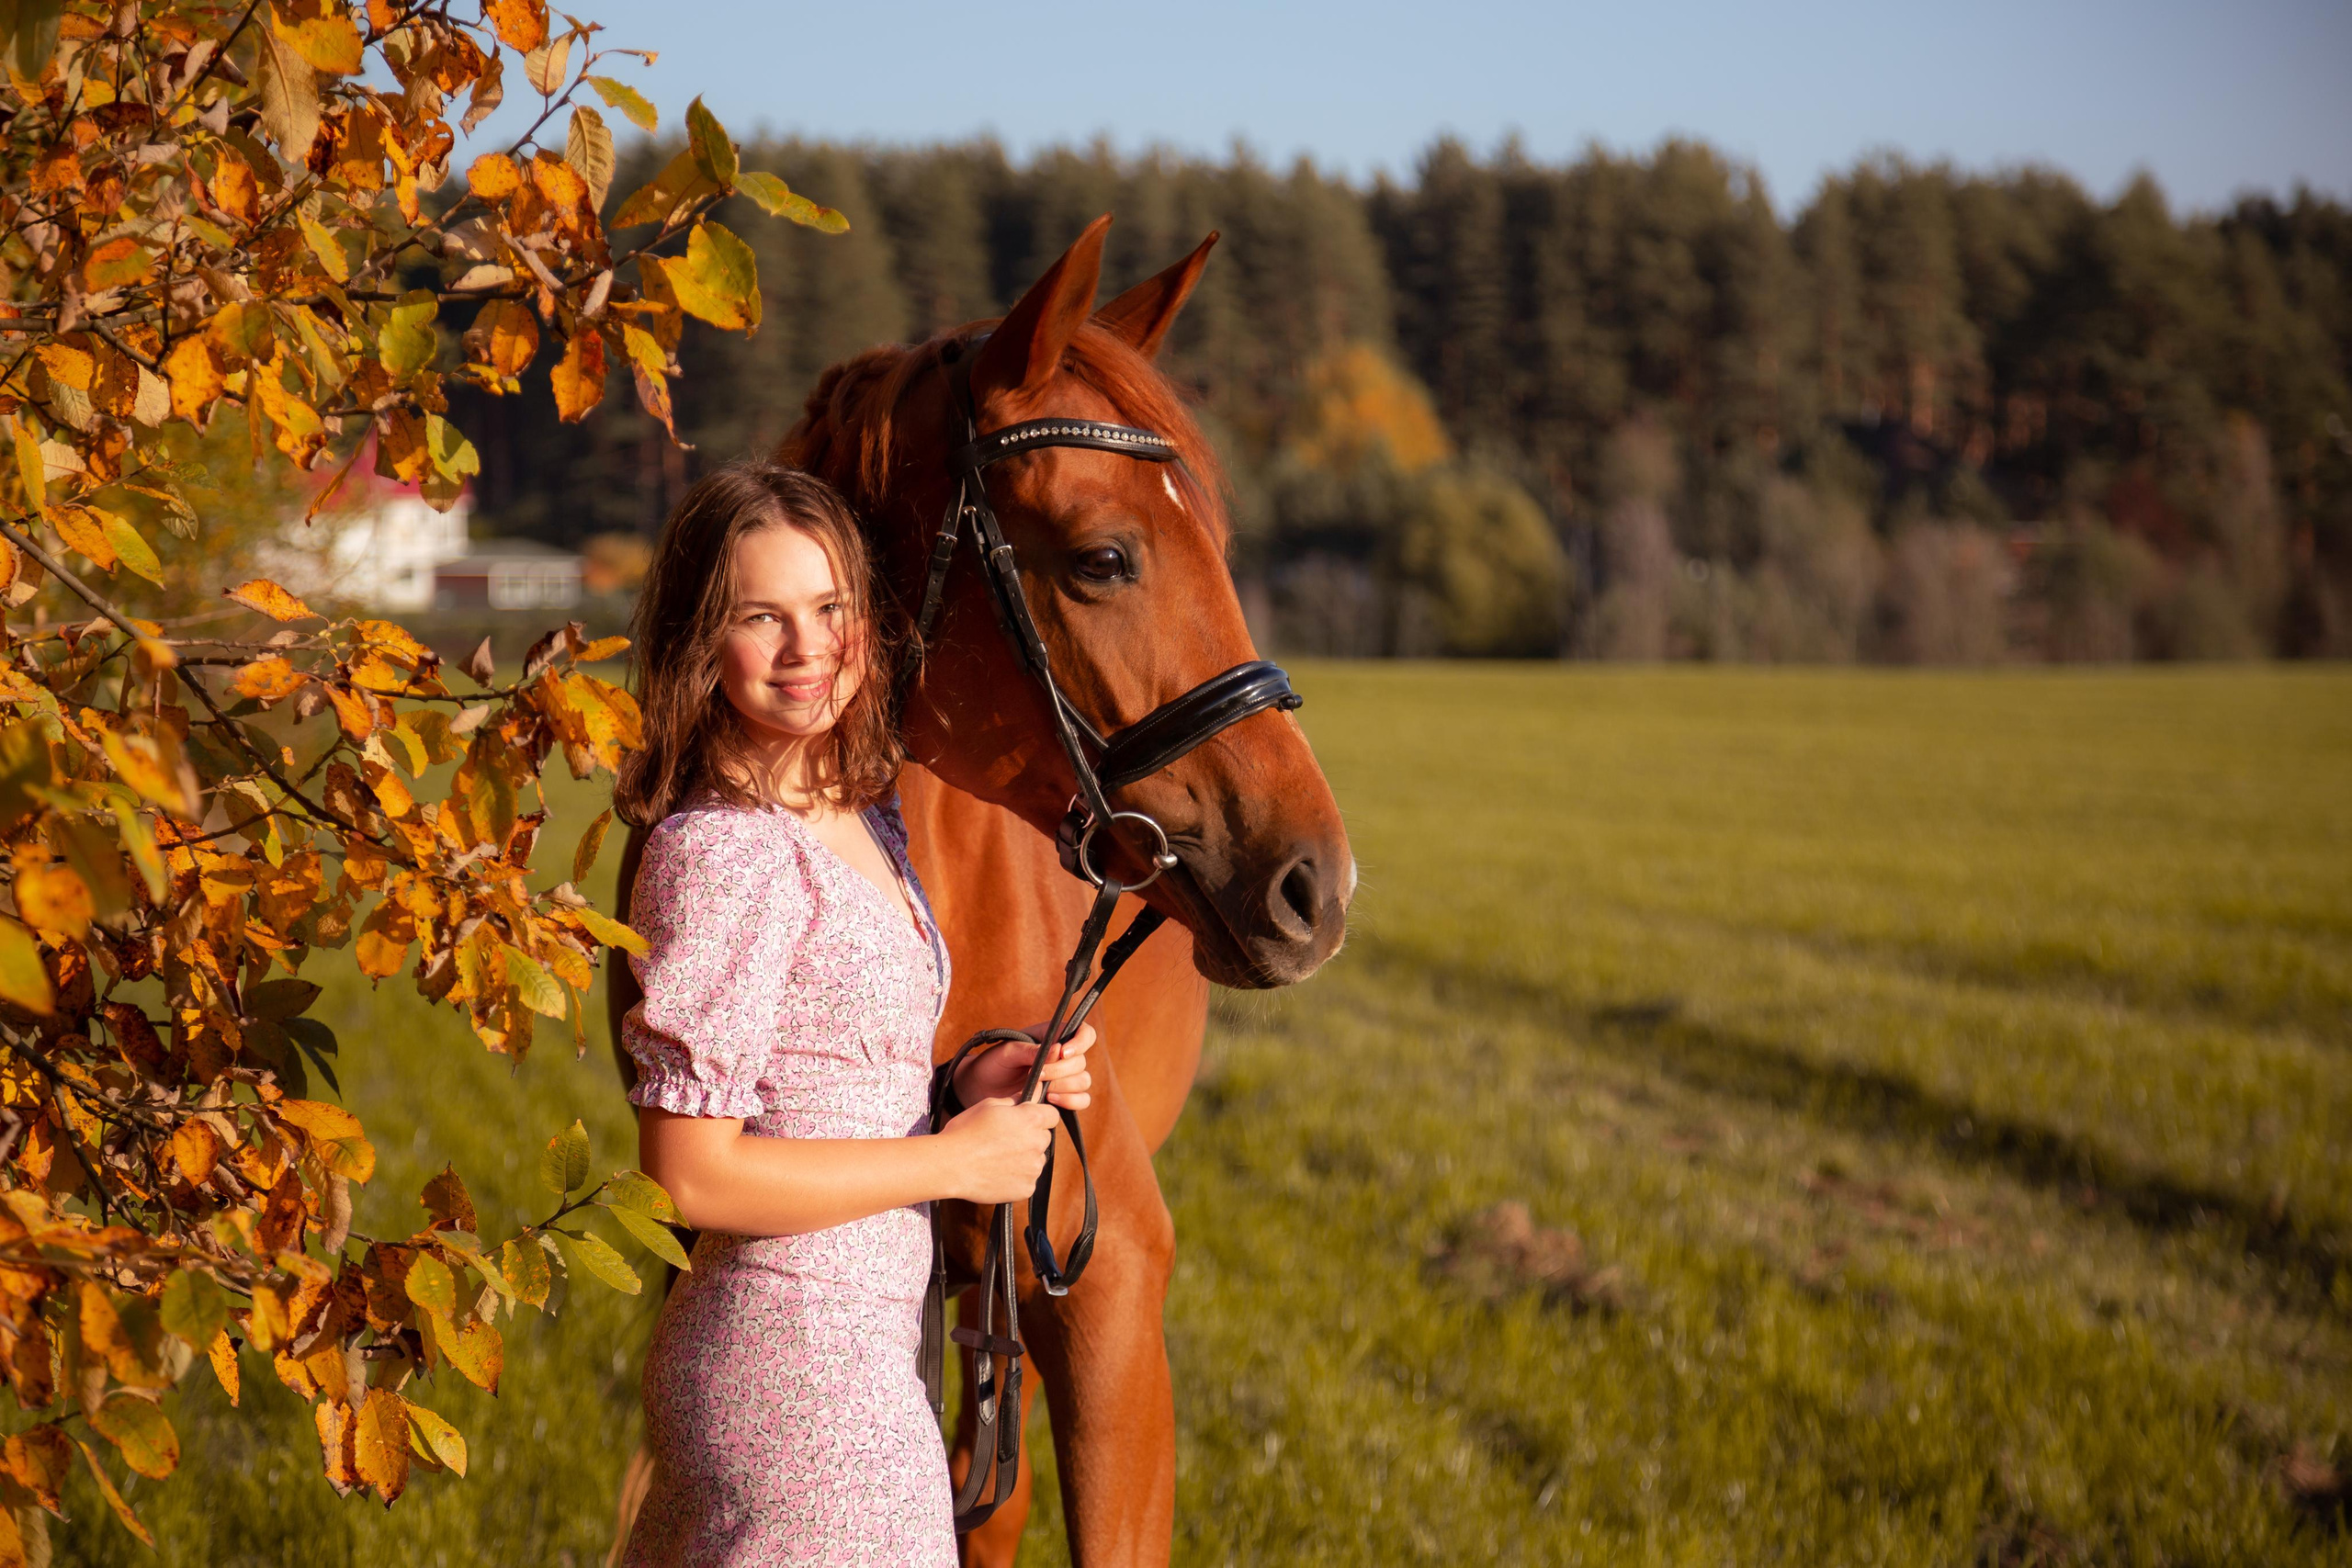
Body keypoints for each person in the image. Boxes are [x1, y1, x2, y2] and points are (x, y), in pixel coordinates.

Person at [611, 461, 1092, 1565]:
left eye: (829, 608)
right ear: (701, 640)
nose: (807, 646)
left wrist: (962, 1091)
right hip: (794, 1380)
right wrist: (953, 1164)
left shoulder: (853, 811)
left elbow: (813, 1083)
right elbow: (690, 1175)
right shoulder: (722, 852)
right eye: (761, 617)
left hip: (860, 1356)